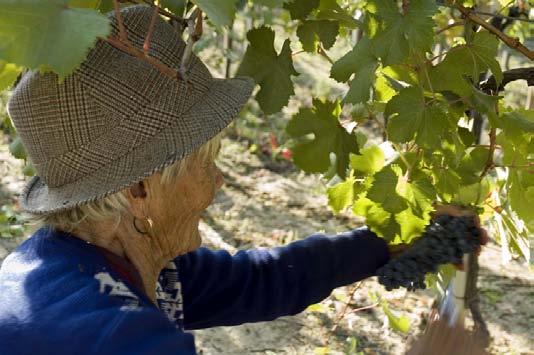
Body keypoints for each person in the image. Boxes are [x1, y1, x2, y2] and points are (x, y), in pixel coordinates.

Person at [0, 5, 484, 355]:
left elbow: (262, 278)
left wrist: (396, 245)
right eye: (205, 163)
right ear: (139, 190)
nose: (220, 181)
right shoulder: (112, 338)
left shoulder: (108, 265)